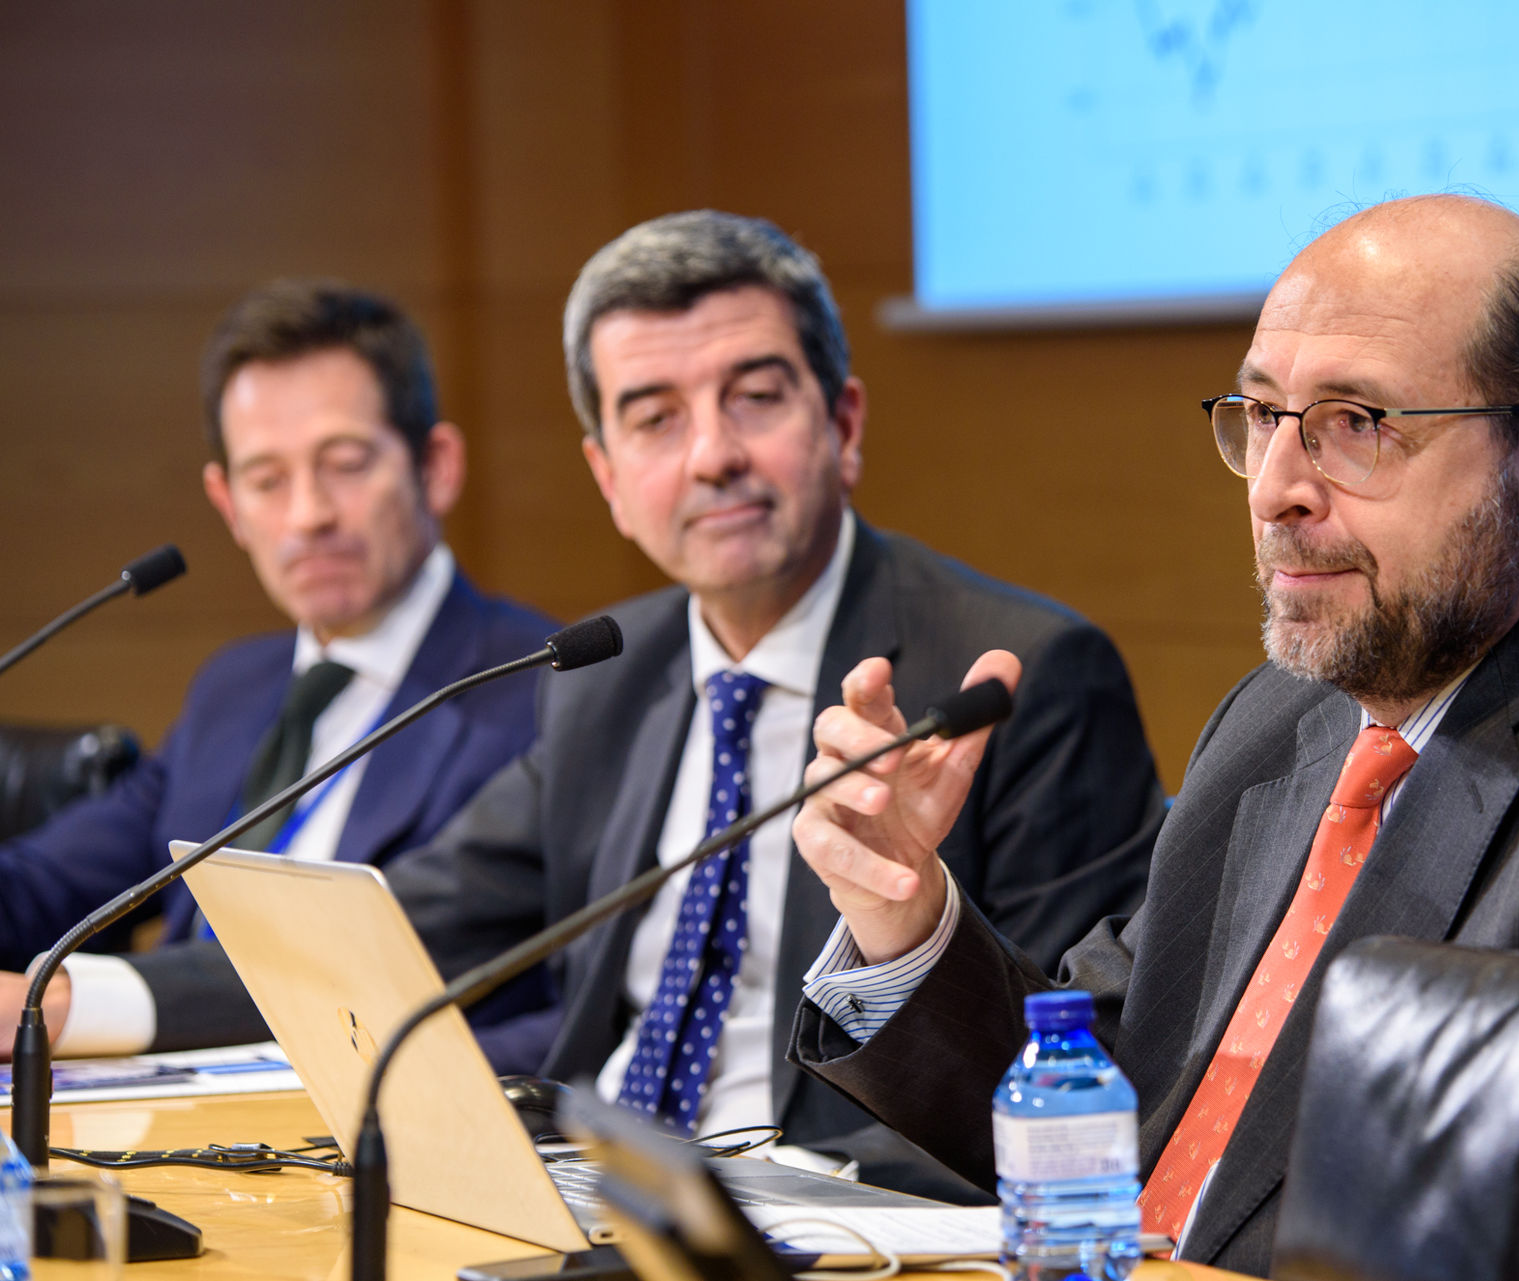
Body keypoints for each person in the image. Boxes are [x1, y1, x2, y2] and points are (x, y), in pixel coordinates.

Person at [786, 195, 1519, 1272]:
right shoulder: (1282, 719)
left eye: (1355, 425)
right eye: (1263, 416)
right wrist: (903, 915)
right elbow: (1099, 1105)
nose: (1275, 489)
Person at [293, 211, 1158, 1196]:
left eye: (754, 398)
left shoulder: (1014, 681)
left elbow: (1068, 1071)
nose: (712, 455)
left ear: (843, 424)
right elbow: (394, 925)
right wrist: (133, 994)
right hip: (591, 1189)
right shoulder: (606, 675)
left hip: (838, 1211)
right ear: (608, 477)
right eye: (655, 418)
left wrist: (903, 923)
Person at [0, 281, 555, 1059]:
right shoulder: (234, 688)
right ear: (227, 503)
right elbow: (41, 886)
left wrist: (70, 1001)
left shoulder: (539, 686)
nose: (308, 515)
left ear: (436, 467)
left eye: (346, 464)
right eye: (267, 479)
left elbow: (387, 957)